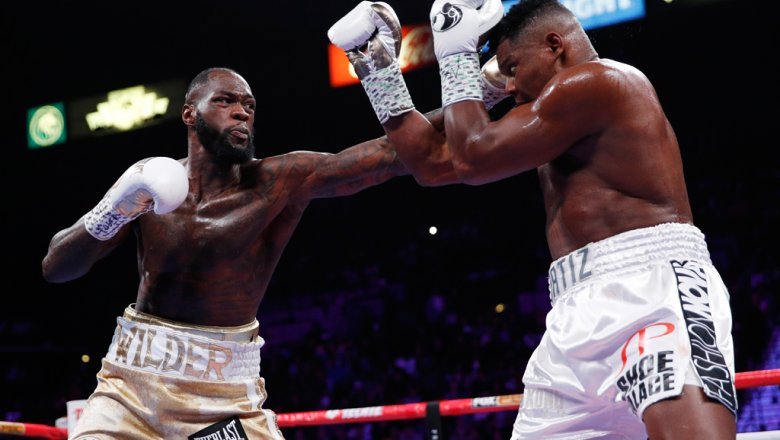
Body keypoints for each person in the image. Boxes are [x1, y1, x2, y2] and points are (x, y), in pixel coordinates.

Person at [329, 0, 737, 438]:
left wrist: (457, 52)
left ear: (554, 46)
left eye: (513, 67)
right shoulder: (555, 111)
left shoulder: (600, 81)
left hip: (652, 290)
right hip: (573, 311)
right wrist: (378, 70)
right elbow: (432, 163)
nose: (509, 85)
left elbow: (472, 157)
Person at [41, 66, 423, 439]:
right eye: (225, 101)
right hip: (128, 390)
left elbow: (391, 154)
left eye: (249, 105)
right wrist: (115, 209)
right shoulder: (150, 185)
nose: (241, 112)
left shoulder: (278, 181)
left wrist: (442, 85)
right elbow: (56, 268)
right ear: (189, 114)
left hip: (224, 398)